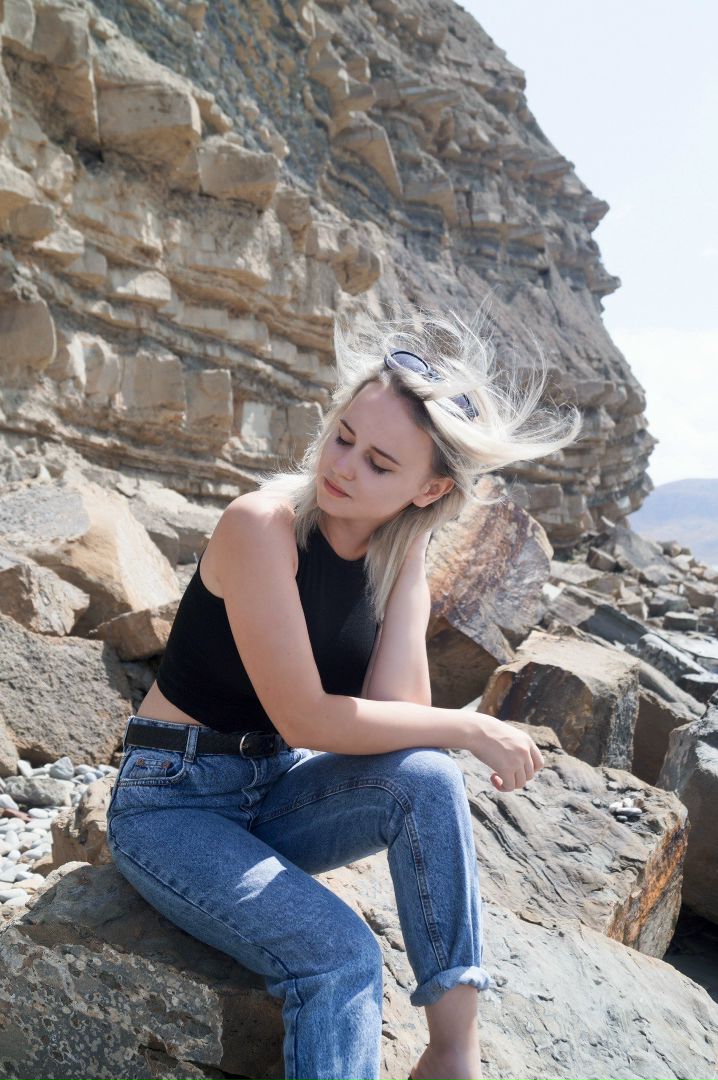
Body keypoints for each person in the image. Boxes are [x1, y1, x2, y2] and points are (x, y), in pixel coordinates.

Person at [106, 299, 583, 1080]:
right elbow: (308, 718)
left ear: (429, 491)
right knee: (341, 955)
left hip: (270, 791)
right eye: (344, 437)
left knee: (427, 778)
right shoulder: (261, 525)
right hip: (174, 804)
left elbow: (401, 728)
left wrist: (411, 560)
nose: (343, 466)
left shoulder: (395, 559)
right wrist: (472, 727)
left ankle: (452, 1052)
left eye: (381, 465)